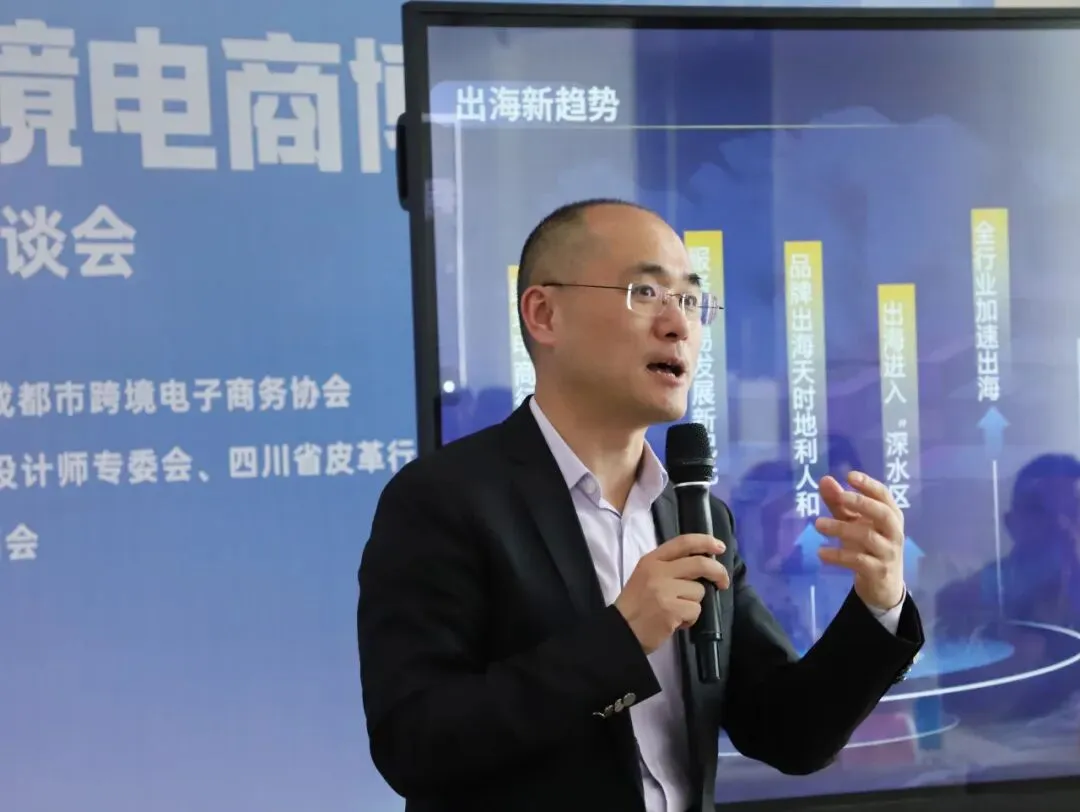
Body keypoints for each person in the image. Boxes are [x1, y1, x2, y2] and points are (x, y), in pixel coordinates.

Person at [357, 199, 925, 812]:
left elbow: (790, 735)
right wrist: (622, 641)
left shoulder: (694, 515)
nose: (679, 324)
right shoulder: (444, 499)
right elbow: (414, 743)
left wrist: (879, 605)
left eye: (691, 300)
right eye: (646, 292)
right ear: (545, 314)